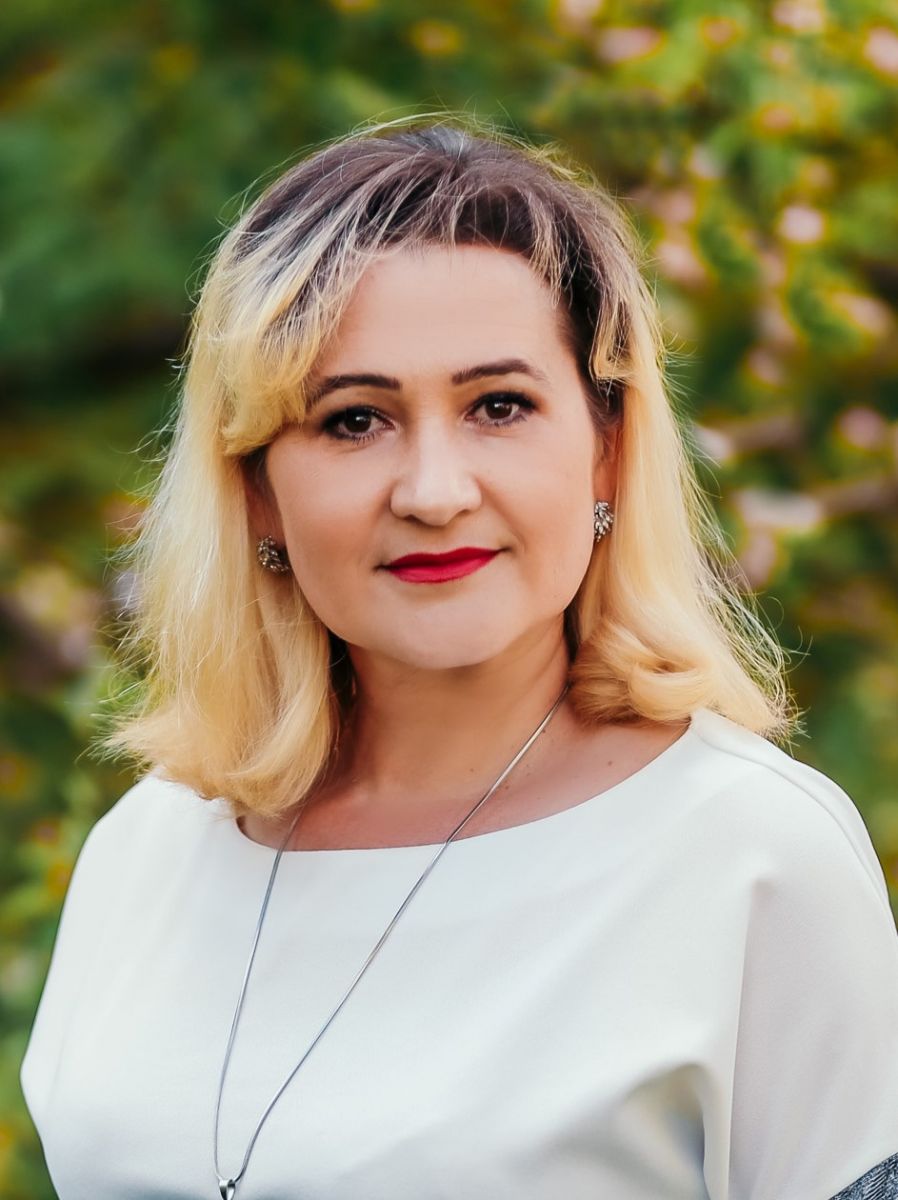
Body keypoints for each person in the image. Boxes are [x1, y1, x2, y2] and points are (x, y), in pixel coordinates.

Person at [20, 116, 898, 1200]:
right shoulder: (146, 849)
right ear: (257, 487)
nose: (434, 492)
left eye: (498, 406)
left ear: (607, 449)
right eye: (354, 421)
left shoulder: (751, 855)